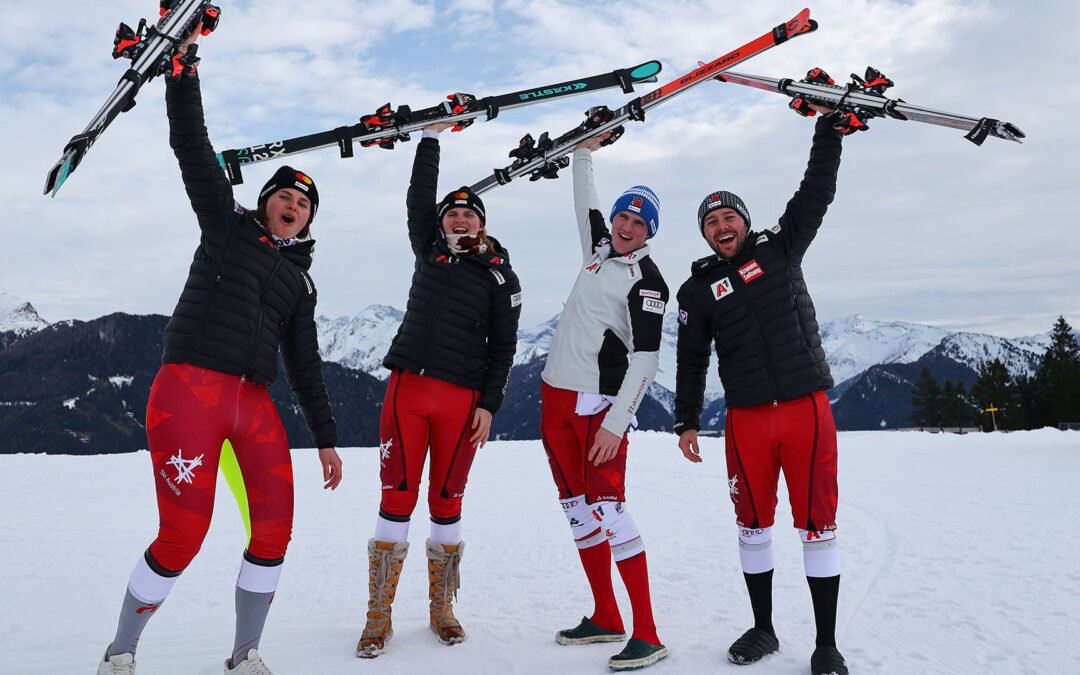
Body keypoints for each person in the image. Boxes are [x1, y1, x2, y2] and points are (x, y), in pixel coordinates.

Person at [96, 22, 342, 675]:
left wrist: (325, 437)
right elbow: (192, 147)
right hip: (189, 391)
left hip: (252, 404)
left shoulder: (301, 282)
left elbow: (305, 362)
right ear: (265, 202)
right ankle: (120, 652)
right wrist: (184, 70)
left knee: (275, 528)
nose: (292, 204)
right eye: (284, 195)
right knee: (183, 533)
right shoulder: (225, 226)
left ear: (308, 220)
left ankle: (244, 654)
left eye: (303, 203)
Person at [673, 106, 849, 675]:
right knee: (751, 523)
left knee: (817, 523)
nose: (721, 226)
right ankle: (764, 629)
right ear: (704, 234)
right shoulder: (698, 289)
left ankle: (826, 644)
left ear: (744, 222)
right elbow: (691, 357)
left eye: (729, 216)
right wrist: (686, 418)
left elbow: (815, 191)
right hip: (746, 420)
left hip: (805, 408)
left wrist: (828, 131)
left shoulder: (782, 247)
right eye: (711, 222)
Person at [356, 122, 522, 658]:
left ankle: (441, 610)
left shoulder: (501, 275)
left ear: (483, 224)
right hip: (408, 389)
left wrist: (490, 405)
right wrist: (430, 138)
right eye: (452, 212)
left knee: (447, 501)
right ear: (441, 220)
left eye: (469, 213)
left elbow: (505, 347)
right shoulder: (429, 248)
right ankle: (378, 616)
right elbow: (418, 198)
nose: (459, 218)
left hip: (463, 402)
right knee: (396, 498)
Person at [540, 133, 669, 672]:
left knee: (609, 509)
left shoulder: (648, 282)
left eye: (639, 223)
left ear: (649, 233)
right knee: (576, 509)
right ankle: (605, 614)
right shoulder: (597, 249)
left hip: (599, 411)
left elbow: (647, 361)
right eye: (623, 217)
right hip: (555, 400)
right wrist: (584, 151)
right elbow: (584, 202)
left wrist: (618, 423)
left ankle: (648, 633)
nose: (626, 227)